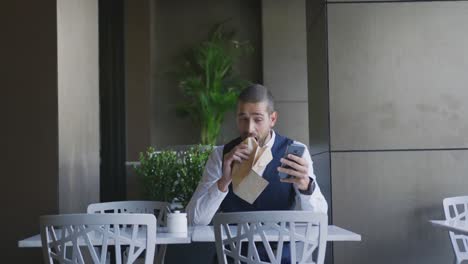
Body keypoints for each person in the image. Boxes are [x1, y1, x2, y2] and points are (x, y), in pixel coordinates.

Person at [186, 84, 328, 226]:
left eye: (258, 119)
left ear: (272, 119)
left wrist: (306, 185)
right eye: (243, 119)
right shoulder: (221, 155)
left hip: (280, 246)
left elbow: (320, 219)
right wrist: (224, 181)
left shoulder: (294, 152)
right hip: (234, 248)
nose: (249, 128)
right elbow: (193, 221)